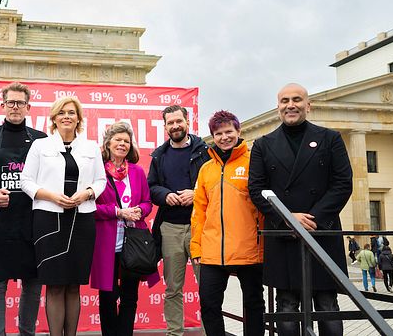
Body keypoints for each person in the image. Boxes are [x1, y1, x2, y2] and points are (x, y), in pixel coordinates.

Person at [248, 83, 352, 336]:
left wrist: (312, 219)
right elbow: (256, 189)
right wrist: (289, 219)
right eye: (285, 101)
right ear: (278, 107)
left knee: (327, 304)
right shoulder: (263, 144)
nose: (290, 105)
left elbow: (342, 184)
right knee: (286, 305)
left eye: (296, 99)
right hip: (283, 235)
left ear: (308, 105)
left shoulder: (330, 138)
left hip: (321, 232)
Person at [20, 96, 106, 336]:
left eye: (71, 112)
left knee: (74, 286)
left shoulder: (90, 147)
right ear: (54, 119)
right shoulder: (40, 146)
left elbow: (101, 181)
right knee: (55, 285)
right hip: (49, 220)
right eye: (62, 113)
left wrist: (87, 194)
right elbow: (25, 181)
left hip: (82, 220)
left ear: (78, 118)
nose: (67, 116)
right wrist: (50, 196)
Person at [0, 82, 46, 336]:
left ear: (28, 107)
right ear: (2, 105)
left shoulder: (41, 139)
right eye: (10, 102)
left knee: (33, 285)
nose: (15, 107)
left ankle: (27, 333)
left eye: (20, 103)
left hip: (33, 224)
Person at [191, 111, 264, 336]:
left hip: (249, 249)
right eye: (218, 133)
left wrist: (263, 242)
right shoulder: (206, 169)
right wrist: (196, 247)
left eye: (228, 132)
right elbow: (199, 212)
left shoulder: (254, 162)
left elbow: (263, 207)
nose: (224, 137)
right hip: (213, 251)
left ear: (238, 132)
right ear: (213, 136)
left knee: (253, 305)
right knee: (209, 306)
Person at [90, 122, 158, 336]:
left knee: (130, 297)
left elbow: (148, 202)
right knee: (108, 298)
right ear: (108, 143)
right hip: (106, 244)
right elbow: (90, 208)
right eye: (118, 140)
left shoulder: (137, 171)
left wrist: (140, 210)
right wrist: (117, 212)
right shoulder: (97, 171)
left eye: (126, 141)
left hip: (133, 244)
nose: (122, 144)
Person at [147, 105, 209, 336]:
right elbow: (151, 188)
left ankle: (210, 331)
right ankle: (174, 333)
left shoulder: (204, 151)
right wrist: (165, 195)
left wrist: (196, 193)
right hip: (170, 228)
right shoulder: (159, 155)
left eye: (178, 121)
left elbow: (213, 186)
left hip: (200, 227)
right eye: (170, 123)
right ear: (165, 126)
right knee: (173, 288)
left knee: (208, 287)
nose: (175, 126)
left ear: (187, 121)